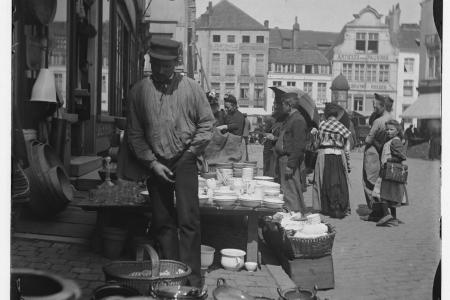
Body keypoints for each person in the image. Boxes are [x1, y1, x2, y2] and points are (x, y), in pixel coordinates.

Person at [126, 38, 215, 288]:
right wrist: (152, 163)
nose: (161, 71)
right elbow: (134, 133)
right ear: (150, 62)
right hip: (156, 161)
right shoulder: (139, 91)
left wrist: (189, 155)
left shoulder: (192, 88)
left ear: (176, 63)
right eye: (156, 65)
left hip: (185, 159)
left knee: (189, 220)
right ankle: (172, 273)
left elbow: (207, 124)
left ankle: (192, 280)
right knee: (162, 221)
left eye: (167, 66)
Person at [312, 102, 352, 219]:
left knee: (324, 180)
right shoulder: (342, 128)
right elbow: (347, 148)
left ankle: (326, 207)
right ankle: (340, 206)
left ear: (326, 114)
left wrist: (314, 136)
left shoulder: (322, 126)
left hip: (324, 155)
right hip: (339, 156)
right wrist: (348, 165)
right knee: (339, 181)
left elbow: (316, 145)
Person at [361, 94, 395, 222]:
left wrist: (372, 140)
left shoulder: (378, 121)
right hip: (383, 154)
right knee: (378, 182)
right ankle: (380, 212)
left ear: (383, 106)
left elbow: (368, 140)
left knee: (369, 183)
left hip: (372, 154)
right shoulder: (390, 118)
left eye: (376, 106)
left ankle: (377, 213)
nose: (374, 108)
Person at [274, 93, 308, 213]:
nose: (281, 106)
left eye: (283, 104)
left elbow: (299, 146)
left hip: (289, 160)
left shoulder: (298, 120)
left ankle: (294, 214)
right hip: (285, 159)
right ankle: (294, 213)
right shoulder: (290, 119)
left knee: (290, 191)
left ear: (289, 105)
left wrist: (290, 164)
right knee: (287, 190)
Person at [372, 120, 408, 226]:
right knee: (390, 195)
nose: (388, 131)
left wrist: (390, 160)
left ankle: (387, 215)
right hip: (386, 172)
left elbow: (402, 156)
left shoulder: (395, 141)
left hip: (389, 172)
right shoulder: (390, 141)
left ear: (397, 131)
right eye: (387, 129)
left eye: (391, 129)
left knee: (380, 194)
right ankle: (393, 217)